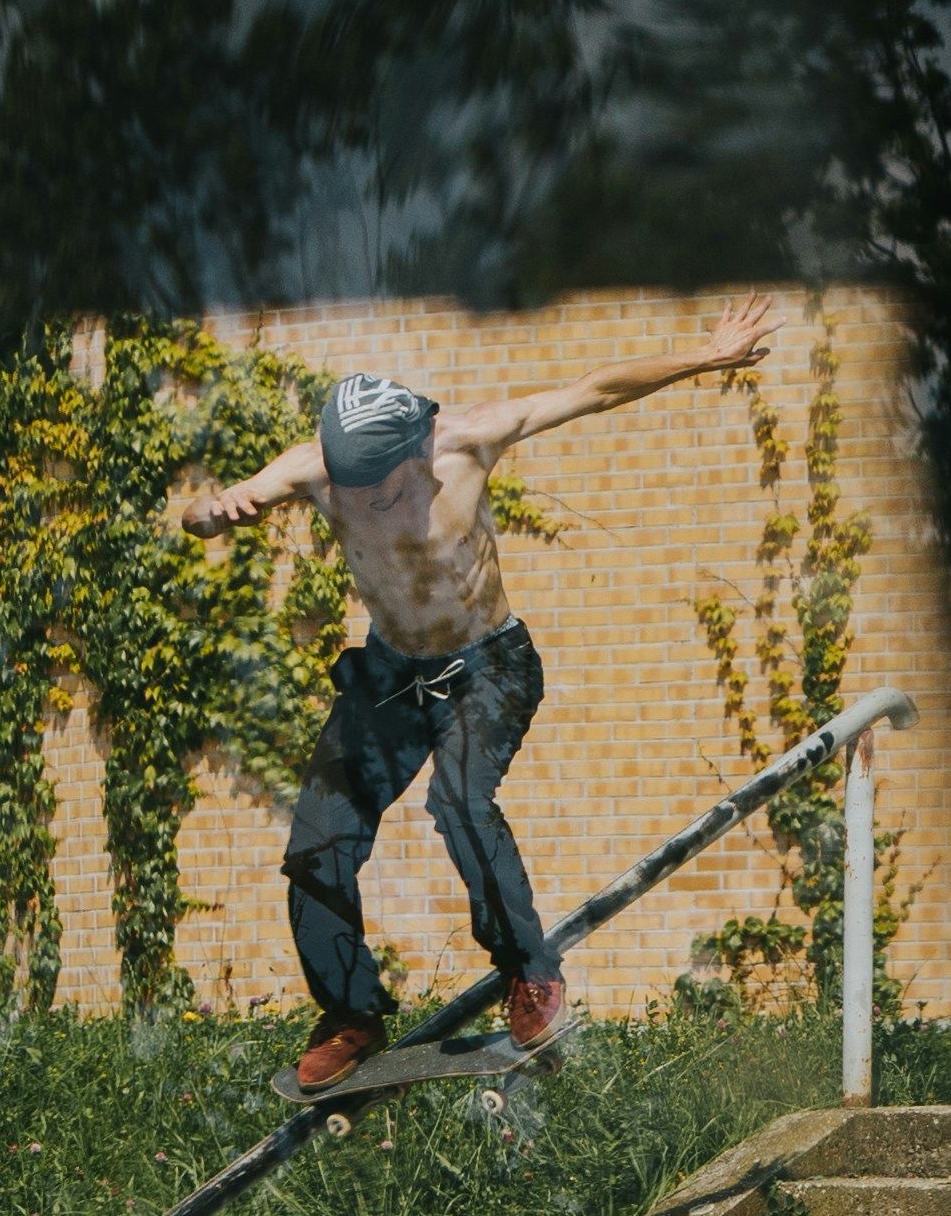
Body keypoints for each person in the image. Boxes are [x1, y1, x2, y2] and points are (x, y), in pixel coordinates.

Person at [185, 301, 777, 1093]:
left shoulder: (469, 438)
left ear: (415, 450)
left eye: (386, 487)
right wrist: (216, 513)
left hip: (488, 665)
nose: (370, 501)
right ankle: (350, 1011)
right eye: (353, 490)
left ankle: (530, 974)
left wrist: (705, 358)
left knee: (460, 800)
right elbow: (206, 510)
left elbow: (597, 388)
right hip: (393, 672)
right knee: (318, 837)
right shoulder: (311, 469)